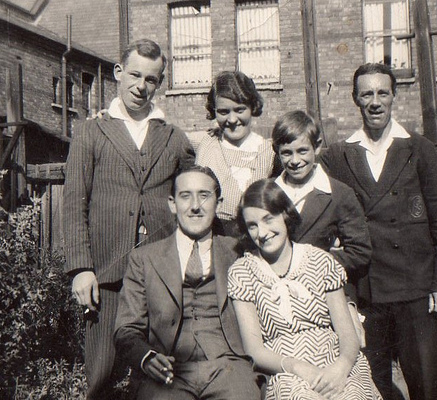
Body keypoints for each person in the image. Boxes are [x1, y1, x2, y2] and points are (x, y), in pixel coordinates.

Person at [63, 38, 195, 399]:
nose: (141, 86)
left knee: (160, 374)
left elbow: (189, 199)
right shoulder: (92, 131)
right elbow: (74, 202)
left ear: (160, 83)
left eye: (151, 79)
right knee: (102, 374)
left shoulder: (173, 137)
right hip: (105, 273)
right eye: (135, 74)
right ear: (119, 74)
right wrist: (80, 268)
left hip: (160, 272)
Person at [321, 63, 437, 400]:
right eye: (366, 94)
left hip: (418, 291)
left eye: (382, 93)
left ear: (394, 96)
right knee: (374, 388)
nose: (375, 101)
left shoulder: (420, 149)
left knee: (427, 388)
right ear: (355, 98)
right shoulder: (339, 155)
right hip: (368, 290)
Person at [114, 165, 261, 400]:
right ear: (172, 204)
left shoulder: (238, 252)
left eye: (204, 195)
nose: (195, 206)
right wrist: (147, 357)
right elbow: (126, 328)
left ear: (219, 203)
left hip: (229, 367)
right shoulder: (144, 259)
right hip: (169, 371)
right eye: (186, 196)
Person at [228, 179, 382, 400]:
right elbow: (254, 349)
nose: (262, 232)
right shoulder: (243, 271)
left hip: (336, 359)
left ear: (284, 214)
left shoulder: (319, 260)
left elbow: (347, 333)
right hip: (285, 368)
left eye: (268, 219)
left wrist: (341, 367)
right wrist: (298, 368)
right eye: (252, 225)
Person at [271, 110, 372, 304]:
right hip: (278, 296)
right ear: (277, 152)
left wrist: (316, 262)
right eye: (286, 153)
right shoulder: (270, 193)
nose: (294, 161)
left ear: (316, 147)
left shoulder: (339, 194)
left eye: (302, 151)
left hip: (325, 294)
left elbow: (360, 251)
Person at [188, 70, 279, 236]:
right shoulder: (202, 142)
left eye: (239, 110)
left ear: (252, 107)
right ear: (213, 111)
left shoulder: (270, 152)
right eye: (223, 112)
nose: (231, 120)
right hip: (210, 241)